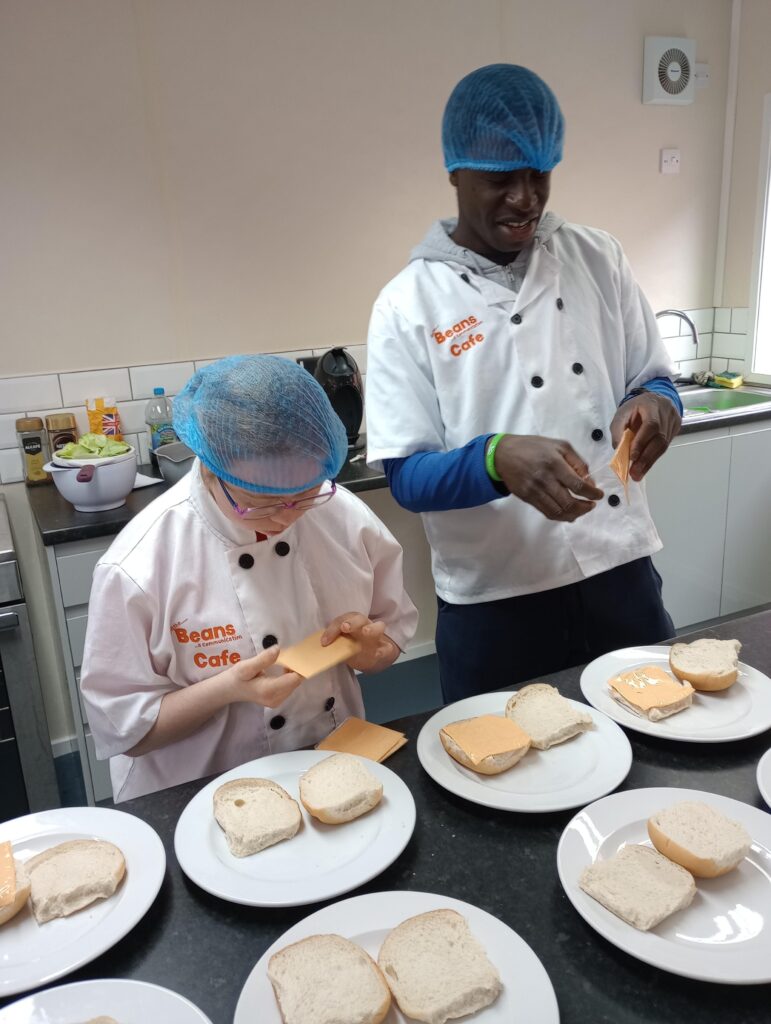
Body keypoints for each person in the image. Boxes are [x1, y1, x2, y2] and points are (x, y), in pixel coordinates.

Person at [365, 64, 682, 704]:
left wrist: (656, 406)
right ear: (456, 173)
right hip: (497, 603)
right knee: (506, 781)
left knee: (656, 741)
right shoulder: (408, 304)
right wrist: (494, 458)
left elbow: (653, 381)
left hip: (620, 572)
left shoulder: (598, 258)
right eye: (500, 180)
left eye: (538, 175)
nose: (525, 198)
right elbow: (406, 476)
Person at [80, 355, 417, 801]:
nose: (286, 519)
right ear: (210, 468)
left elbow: (389, 633)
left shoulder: (343, 518)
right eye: (261, 503)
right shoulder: (141, 564)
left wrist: (370, 648)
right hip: (198, 794)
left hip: (332, 764)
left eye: (305, 496)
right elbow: (129, 732)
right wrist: (226, 690)